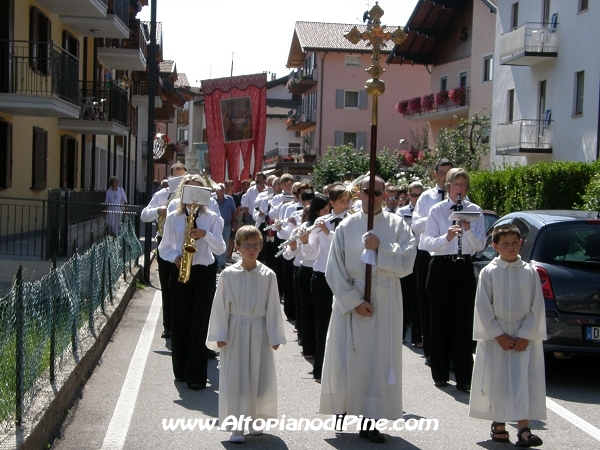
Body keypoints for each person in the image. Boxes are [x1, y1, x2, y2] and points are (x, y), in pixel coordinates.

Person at [319, 175, 417, 443]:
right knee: (347, 356)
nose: (372, 196)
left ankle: (370, 418)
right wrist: (354, 301)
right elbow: (333, 270)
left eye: (377, 192)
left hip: (385, 299)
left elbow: (407, 262)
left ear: (384, 195)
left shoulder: (397, 225)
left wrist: (380, 247)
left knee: (377, 359)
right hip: (352, 300)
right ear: (358, 193)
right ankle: (345, 405)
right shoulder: (346, 226)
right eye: (367, 191)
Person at [469, 224, 546, 447]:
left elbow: (537, 306)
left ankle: (524, 428)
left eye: (515, 242)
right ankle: (499, 423)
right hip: (498, 336)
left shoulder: (529, 272)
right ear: (495, 247)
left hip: (524, 334)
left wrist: (527, 334)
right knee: (499, 379)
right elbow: (482, 306)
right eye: (505, 244)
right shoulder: (490, 272)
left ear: (521, 243)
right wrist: (497, 334)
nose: (511, 247)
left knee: (524, 380)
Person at [207, 226, 286, 443]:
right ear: (238, 247)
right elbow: (220, 305)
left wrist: (275, 336)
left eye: (255, 245)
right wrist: (220, 333)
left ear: (261, 247)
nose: (251, 249)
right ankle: (236, 427)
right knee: (236, 379)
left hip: (259, 329)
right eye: (247, 245)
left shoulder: (268, 275)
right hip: (235, 330)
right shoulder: (228, 275)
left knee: (259, 377)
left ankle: (256, 421)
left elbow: (272, 307)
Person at [420, 167, 486, 392]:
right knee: (439, 321)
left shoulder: (474, 211)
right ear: (448, 186)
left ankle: (464, 377)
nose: (460, 189)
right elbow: (426, 243)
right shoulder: (437, 210)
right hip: (440, 267)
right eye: (456, 185)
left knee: (463, 323)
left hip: (464, 267)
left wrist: (467, 230)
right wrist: (446, 237)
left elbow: (480, 246)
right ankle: (439, 373)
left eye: (463, 185)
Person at [158, 174, 226, 390]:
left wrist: (205, 234)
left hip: (204, 272)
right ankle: (180, 371)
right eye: (190, 190)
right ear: (183, 193)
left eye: (199, 190)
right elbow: (164, 248)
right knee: (180, 322)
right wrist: (174, 257)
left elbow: (221, 249)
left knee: (199, 324)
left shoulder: (212, 218)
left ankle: (196, 376)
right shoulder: (173, 217)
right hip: (180, 271)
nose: (194, 196)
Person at [302, 184, 352, 383]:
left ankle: (345, 370)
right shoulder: (321, 221)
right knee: (323, 325)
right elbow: (312, 254)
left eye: (348, 200)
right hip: (322, 277)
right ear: (331, 202)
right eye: (342, 200)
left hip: (345, 278)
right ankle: (321, 371)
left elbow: (348, 249)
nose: (346, 204)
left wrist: (329, 234)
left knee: (346, 326)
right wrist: (305, 241)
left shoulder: (353, 222)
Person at [411, 158, 454, 365]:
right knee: (426, 303)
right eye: (442, 172)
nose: (446, 177)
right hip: (427, 254)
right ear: (435, 175)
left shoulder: (461, 197)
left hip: (449, 255)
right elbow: (416, 225)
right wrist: (436, 215)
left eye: (450, 172)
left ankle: (450, 352)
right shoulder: (427, 198)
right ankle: (431, 351)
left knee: (448, 307)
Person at [140, 162, 187, 339]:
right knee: (167, 287)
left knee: (183, 288)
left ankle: (182, 325)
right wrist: (158, 210)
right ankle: (169, 326)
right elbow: (144, 215)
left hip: (184, 245)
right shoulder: (161, 195)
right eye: (176, 177)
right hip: (165, 244)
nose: (179, 181)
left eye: (182, 177)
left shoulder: (189, 195)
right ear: (169, 178)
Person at [398, 181, 424, 348]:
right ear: (409, 196)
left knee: (417, 297)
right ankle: (399, 334)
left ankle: (417, 337)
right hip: (405, 255)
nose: (416, 198)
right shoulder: (402, 212)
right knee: (402, 297)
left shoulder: (425, 212)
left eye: (419, 195)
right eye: (413, 195)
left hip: (420, 255)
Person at [214, 183, 237, 271]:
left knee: (225, 243)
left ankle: (222, 262)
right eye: (219, 189)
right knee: (217, 243)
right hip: (216, 225)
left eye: (222, 189)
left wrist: (234, 223)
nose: (221, 191)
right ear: (216, 191)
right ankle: (218, 263)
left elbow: (234, 212)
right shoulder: (212, 200)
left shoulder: (230, 199)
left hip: (227, 224)